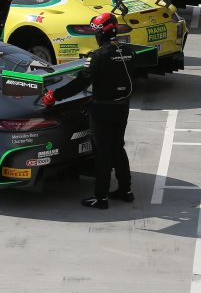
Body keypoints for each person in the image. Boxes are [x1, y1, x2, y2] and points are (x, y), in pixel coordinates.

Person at [42, 12, 135, 209]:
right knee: (118, 148)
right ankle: (126, 190)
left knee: (102, 153)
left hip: (102, 109)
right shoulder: (129, 51)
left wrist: (55, 95)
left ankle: (101, 198)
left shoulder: (97, 56)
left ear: (100, 33)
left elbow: (81, 82)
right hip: (122, 107)